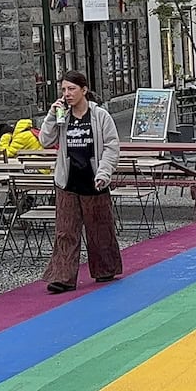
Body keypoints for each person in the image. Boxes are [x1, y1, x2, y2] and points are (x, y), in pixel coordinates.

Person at [39, 70, 122, 293]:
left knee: (100, 228)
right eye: (64, 89)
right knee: (65, 231)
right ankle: (62, 277)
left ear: (84, 90)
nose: (67, 94)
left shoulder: (100, 116)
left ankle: (105, 268)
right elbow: (45, 141)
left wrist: (104, 173)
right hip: (68, 181)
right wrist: (51, 115)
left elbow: (112, 147)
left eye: (72, 89)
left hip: (94, 180)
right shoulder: (62, 115)